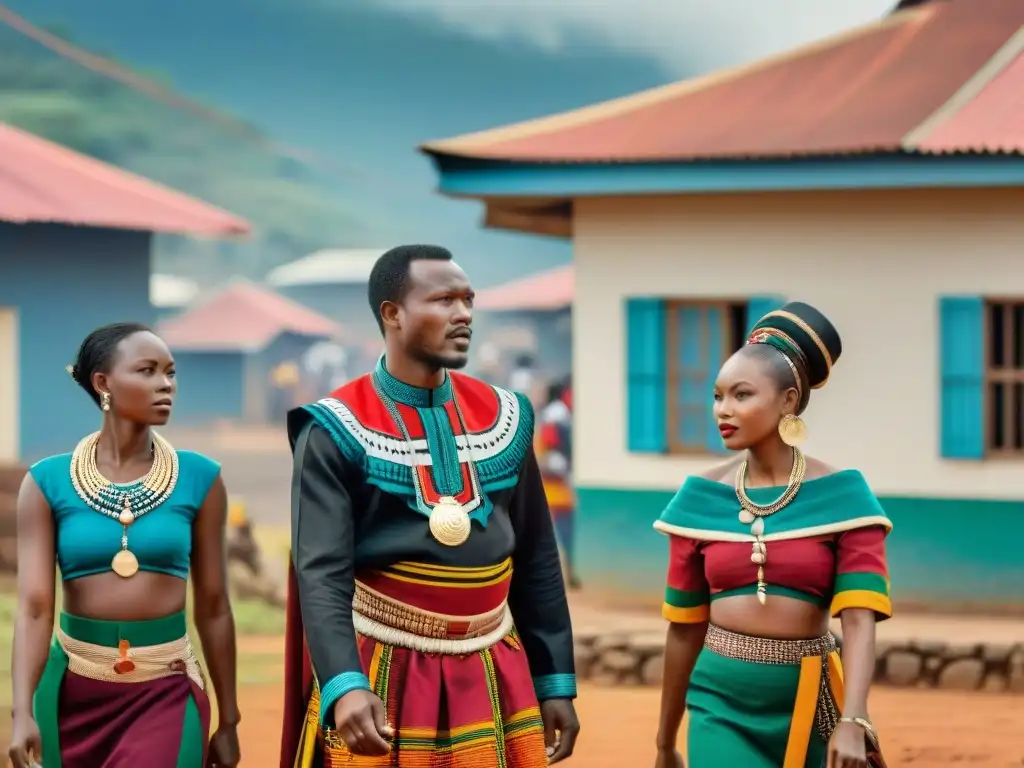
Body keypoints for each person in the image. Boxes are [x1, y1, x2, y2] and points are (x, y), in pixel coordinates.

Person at [280, 245, 580, 767]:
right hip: (383, 667)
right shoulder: (332, 428)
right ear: (392, 315)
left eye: (468, 300)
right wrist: (345, 685)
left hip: (494, 665)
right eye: (443, 300)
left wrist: (554, 679)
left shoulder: (508, 416)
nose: (463, 314)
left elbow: (536, 556)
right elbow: (321, 573)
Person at [653, 303, 891, 768]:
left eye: (742, 395)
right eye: (718, 396)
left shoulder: (845, 499)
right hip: (717, 704)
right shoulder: (698, 500)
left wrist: (854, 719)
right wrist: (665, 741)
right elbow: (683, 629)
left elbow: (859, 620)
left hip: (811, 702)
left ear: (788, 400)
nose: (724, 410)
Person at [8, 323, 241, 768]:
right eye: (148, 371)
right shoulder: (46, 482)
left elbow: (214, 606)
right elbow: (35, 607)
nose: (165, 384)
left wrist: (228, 720)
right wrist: (21, 712)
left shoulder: (200, 478)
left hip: (166, 690)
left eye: (170, 373)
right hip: (71, 693)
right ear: (103, 383)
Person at [537, 379, 581, 589]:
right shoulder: (557, 415)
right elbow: (552, 448)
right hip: (556, 482)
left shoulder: (559, 414)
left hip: (558, 481)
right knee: (561, 531)